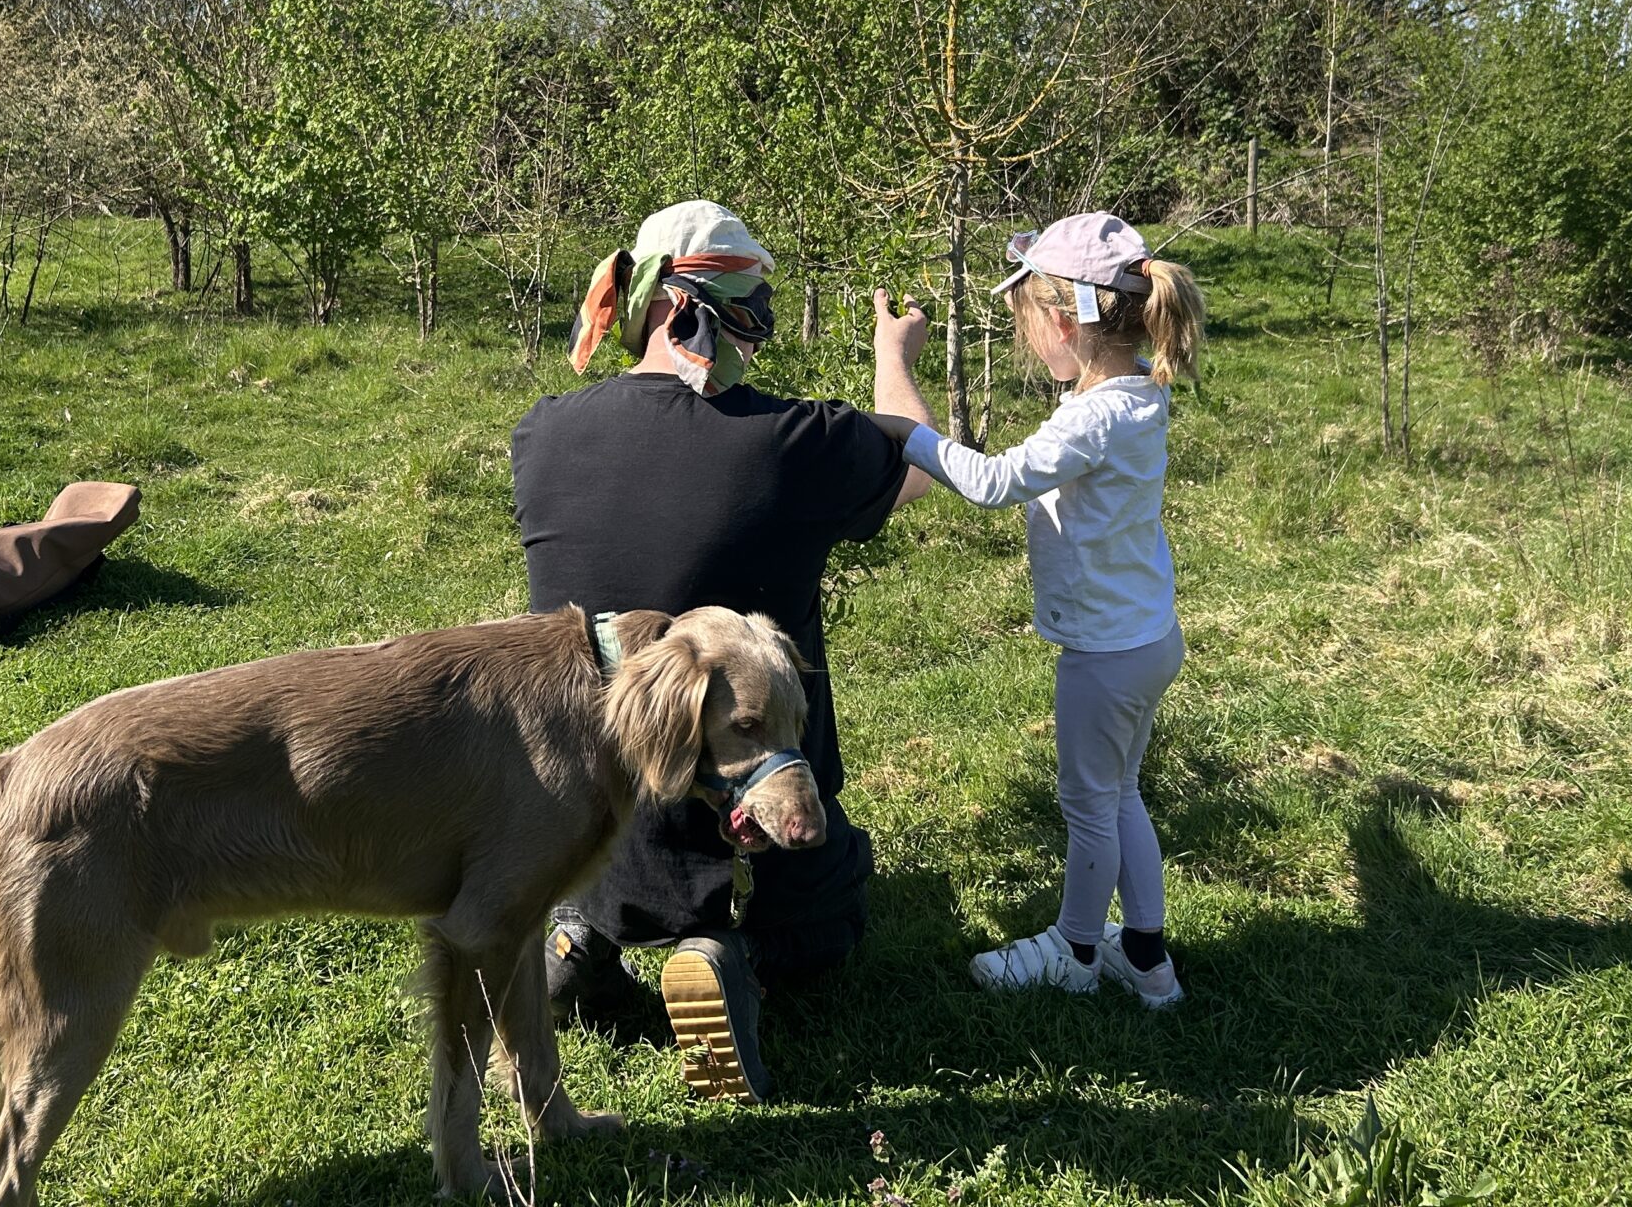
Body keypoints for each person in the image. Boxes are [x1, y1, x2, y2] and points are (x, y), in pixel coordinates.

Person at [513, 200, 932, 1102]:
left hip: (590, 826)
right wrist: (894, 356)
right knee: (832, 903)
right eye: (751, 314)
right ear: (683, 307)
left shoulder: (541, 434)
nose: (756, 339)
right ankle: (729, 948)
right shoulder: (794, 442)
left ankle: (580, 933)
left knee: (606, 821)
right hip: (754, 814)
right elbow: (926, 464)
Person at [871, 212, 1205, 1007]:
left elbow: (994, 483)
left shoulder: (1096, 415)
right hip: (1147, 639)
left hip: (1103, 656)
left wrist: (902, 433)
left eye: (1027, 323)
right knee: (1120, 793)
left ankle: (1077, 952)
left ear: (1064, 322)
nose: (1027, 341)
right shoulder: (1138, 390)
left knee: (1089, 807)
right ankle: (1148, 960)